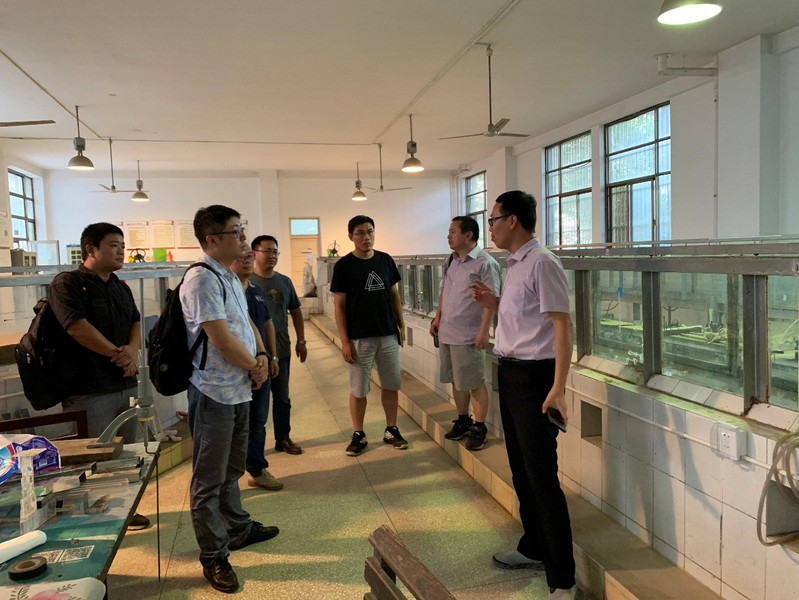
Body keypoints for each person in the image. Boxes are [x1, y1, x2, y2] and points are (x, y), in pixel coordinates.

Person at [471, 191, 576, 600]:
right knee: (520, 470)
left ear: (512, 220)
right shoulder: (515, 264)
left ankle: (563, 580)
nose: (490, 227)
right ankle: (533, 547)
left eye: (493, 219)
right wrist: (494, 303)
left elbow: (562, 327)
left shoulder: (543, 262)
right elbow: (526, 316)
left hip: (536, 378)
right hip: (511, 372)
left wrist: (558, 388)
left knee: (542, 478)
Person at [180, 205, 279, 594]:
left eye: (242, 230)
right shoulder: (201, 280)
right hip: (214, 392)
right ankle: (214, 556)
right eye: (236, 232)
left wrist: (262, 355)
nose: (243, 239)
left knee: (232, 469)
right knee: (208, 479)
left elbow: (246, 323)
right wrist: (254, 367)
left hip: (238, 389)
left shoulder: (228, 276)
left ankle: (237, 529)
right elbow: (220, 338)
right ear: (211, 240)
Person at [48, 222, 150, 531]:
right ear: (90, 250)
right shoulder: (67, 284)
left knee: (126, 453)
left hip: (124, 383)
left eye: (123, 246)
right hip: (89, 389)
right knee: (92, 457)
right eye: (113, 245)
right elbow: (76, 327)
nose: (121, 251)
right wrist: (118, 355)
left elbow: (135, 322)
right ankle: (95, 520)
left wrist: (131, 351)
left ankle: (125, 511)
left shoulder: (120, 286)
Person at [330, 215, 407, 456]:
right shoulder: (344, 266)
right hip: (359, 337)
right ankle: (358, 434)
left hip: (387, 334)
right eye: (361, 233)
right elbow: (339, 306)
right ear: (350, 236)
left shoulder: (385, 260)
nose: (367, 237)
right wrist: (345, 341)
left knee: (391, 384)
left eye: (370, 231)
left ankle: (391, 429)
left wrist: (400, 324)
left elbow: (394, 294)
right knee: (359, 388)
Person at [429, 216, 500, 451]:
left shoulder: (485, 263)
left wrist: (484, 331)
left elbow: (492, 300)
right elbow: (444, 292)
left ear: (468, 235)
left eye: (453, 232)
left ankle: (480, 427)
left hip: (469, 335)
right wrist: (437, 318)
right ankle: (463, 420)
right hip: (448, 332)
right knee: (457, 381)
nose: (448, 236)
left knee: (474, 382)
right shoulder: (451, 260)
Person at [230, 250, 282, 490]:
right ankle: (229, 479)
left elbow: (268, 324)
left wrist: (271, 356)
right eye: (241, 256)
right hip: (235, 369)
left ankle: (257, 469)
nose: (247, 261)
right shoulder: (226, 291)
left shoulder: (256, 291)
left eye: (250, 256)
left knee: (258, 422)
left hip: (261, 364)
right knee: (234, 425)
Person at [250, 235, 307, 455]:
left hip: (281, 349)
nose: (272, 256)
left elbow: (296, 311)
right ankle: (253, 449)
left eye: (275, 251)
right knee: (257, 402)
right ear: (254, 253)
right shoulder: (247, 282)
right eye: (267, 251)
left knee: (282, 397)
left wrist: (301, 340)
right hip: (254, 354)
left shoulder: (284, 281)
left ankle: (283, 438)